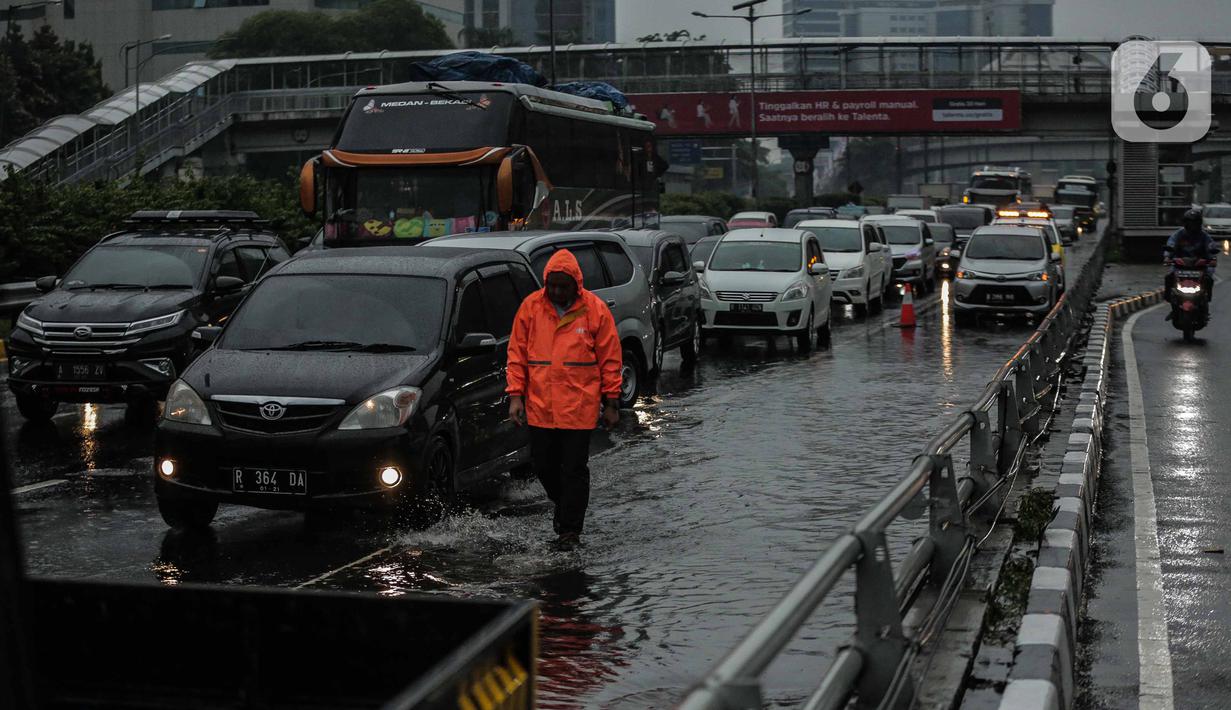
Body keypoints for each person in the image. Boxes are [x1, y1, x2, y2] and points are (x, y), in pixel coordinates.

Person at [506, 249, 623, 551]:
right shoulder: (531, 308)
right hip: (541, 407)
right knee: (544, 467)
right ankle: (566, 507)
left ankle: (570, 529)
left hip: (579, 410)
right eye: (552, 285)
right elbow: (517, 355)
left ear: (576, 285)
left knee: (573, 469)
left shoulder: (595, 311)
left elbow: (610, 359)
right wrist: (516, 396)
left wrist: (611, 403)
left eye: (563, 286)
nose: (557, 291)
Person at [1163, 208, 1219, 306]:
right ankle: (1169, 298)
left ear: (1199, 223)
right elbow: (1171, 244)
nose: (1192, 226)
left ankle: (1207, 298)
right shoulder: (1178, 234)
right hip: (1180, 266)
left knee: (1209, 279)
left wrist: (1213, 259)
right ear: (1185, 223)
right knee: (1169, 277)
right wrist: (1167, 257)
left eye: (1195, 223)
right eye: (1190, 223)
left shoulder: (1204, 236)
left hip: (1199, 266)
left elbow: (1211, 247)